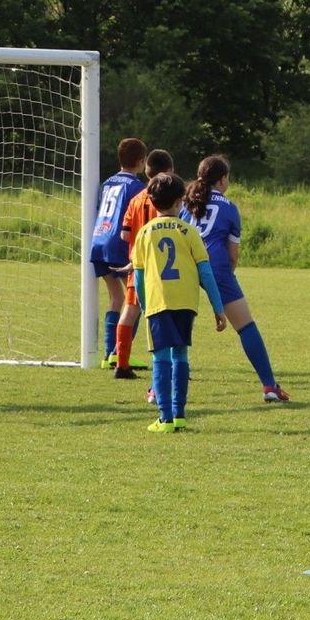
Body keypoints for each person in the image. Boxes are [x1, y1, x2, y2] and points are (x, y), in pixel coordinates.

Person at [185, 156, 290, 402]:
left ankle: (156, 389)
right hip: (216, 267)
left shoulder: (185, 203)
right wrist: (225, 281)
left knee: (176, 328)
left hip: (184, 267)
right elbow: (232, 256)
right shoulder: (229, 208)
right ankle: (269, 386)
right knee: (245, 326)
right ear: (223, 179)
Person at [131, 173, 227, 432]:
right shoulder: (190, 231)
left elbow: (138, 277)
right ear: (179, 201)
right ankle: (180, 414)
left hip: (159, 302)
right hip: (186, 302)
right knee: (180, 354)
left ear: (152, 201)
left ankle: (165, 418)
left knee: (161, 357)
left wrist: (144, 305)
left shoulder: (144, 233)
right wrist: (218, 308)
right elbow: (206, 272)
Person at [111, 148, 176, 378]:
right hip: (162, 266)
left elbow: (125, 234)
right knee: (167, 314)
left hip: (137, 264)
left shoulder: (136, 199)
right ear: (169, 171)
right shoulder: (168, 198)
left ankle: (121, 364)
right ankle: (172, 365)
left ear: (147, 172)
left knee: (129, 311)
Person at [90, 137, 148, 367]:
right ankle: (118, 352)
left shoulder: (107, 183)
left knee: (116, 297)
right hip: (119, 245)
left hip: (98, 240)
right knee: (136, 300)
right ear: (141, 161)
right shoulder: (137, 187)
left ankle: (108, 355)